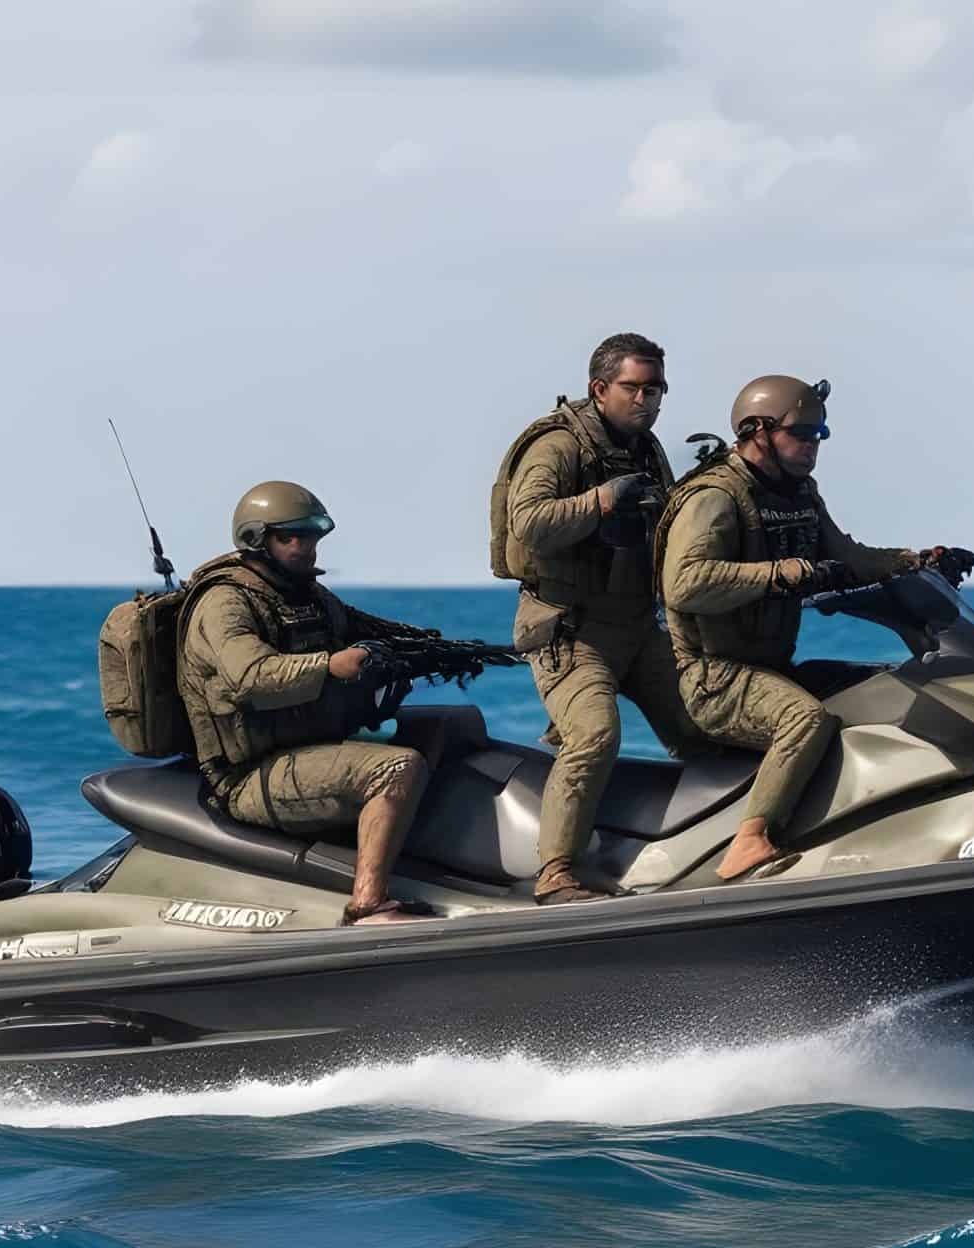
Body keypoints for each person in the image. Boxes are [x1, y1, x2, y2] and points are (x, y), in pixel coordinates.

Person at [655, 375, 974, 880]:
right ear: (757, 431)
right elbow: (685, 584)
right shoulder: (715, 497)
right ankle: (749, 840)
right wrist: (786, 573)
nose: (812, 446)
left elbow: (847, 557)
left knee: (887, 684)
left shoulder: (797, 492)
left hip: (772, 669)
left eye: (819, 435)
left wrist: (918, 560)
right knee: (804, 720)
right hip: (716, 679)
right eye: (801, 433)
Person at [175, 482, 440, 925]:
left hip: (306, 749)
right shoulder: (225, 602)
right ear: (257, 540)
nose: (306, 547)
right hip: (250, 774)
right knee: (398, 767)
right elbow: (250, 677)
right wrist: (330, 666)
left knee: (449, 724)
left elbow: (363, 626)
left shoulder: (305, 595)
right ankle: (368, 904)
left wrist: (428, 647)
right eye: (290, 537)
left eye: (313, 535)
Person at [497, 332, 701, 904]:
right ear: (599, 388)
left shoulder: (645, 447)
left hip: (635, 623)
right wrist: (604, 500)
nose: (647, 399)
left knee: (707, 722)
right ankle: (555, 873)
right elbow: (529, 521)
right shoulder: (560, 446)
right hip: (569, 627)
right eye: (633, 387)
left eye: (655, 388)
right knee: (594, 735)